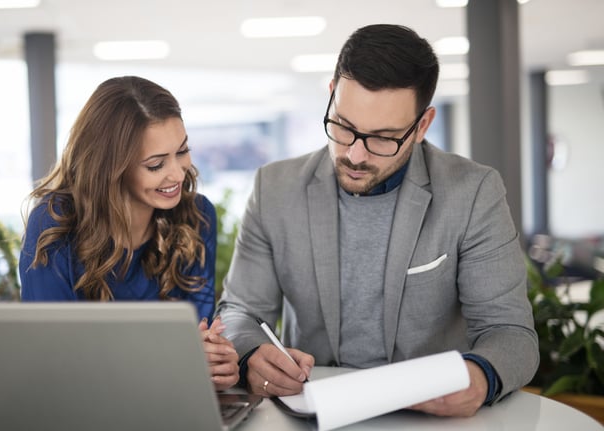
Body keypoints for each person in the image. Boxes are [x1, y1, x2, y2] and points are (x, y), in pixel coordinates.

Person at [217, 24, 539, 417]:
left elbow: (511, 333)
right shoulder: (275, 189)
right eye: (344, 127)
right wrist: (251, 354)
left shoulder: (473, 193)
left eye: (383, 138)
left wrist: (480, 375)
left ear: (422, 125)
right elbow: (239, 312)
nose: (354, 155)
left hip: (430, 419)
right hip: (312, 413)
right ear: (332, 93)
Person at [20, 75, 239, 390]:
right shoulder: (54, 224)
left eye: (182, 151)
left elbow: (195, 340)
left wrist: (214, 363)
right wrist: (174, 360)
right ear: (110, 167)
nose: (177, 174)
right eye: (155, 164)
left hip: (170, 404)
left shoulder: (197, 217)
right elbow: (53, 359)